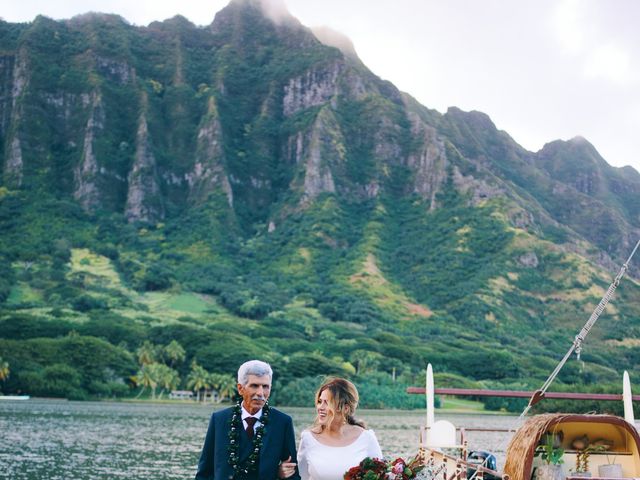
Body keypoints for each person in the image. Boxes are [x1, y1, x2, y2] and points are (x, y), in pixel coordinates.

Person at [195, 360, 300, 480]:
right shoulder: (219, 419)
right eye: (254, 386)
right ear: (240, 388)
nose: (260, 393)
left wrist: (278, 474)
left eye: (265, 386)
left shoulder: (282, 422)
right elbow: (204, 472)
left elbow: (292, 473)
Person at [297, 377, 383, 480]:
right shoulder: (308, 439)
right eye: (320, 401)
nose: (320, 407)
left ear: (345, 408)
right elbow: (300, 477)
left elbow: (381, 475)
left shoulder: (366, 438)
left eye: (327, 402)